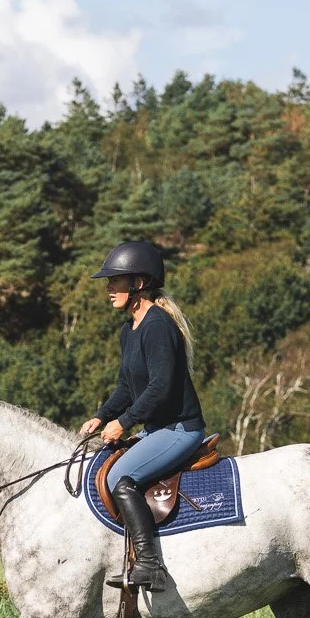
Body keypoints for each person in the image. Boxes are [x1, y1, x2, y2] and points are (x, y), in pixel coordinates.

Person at [77, 239, 206, 592]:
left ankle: (150, 566)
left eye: (114, 281)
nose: (108, 289)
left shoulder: (157, 325)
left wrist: (125, 422)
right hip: (157, 430)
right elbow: (126, 387)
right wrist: (102, 416)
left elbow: (161, 387)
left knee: (120, 476)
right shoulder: (128, 329)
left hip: (180, 429)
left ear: (138, 284)